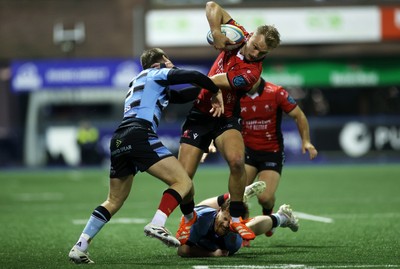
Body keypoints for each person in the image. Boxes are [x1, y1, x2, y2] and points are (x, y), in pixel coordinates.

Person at [68, 48, 224, 264]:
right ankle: (158, 223)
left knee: (113, 200)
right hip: (139, 133)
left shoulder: (139, 82)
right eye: (168, 61)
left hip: (119, 138)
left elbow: (181, 94)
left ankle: (80, 246)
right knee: (182, 181)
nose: (172, 64)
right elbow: (194, 76)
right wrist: (215, 88)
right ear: (158, 63)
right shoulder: (155, 73)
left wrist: (204, 92)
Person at [176, 1, 281, 244]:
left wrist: (214, 89)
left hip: (226, 116)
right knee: (183, 177)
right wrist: (216, 32)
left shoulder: (253, 72)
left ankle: (235, 217)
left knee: (236, 162)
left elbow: (217, 80)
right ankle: (188, 218)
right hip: (200, 115)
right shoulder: (239, 35)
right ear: (251, 35)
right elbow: (212, 5)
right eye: (255, 46)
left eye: (261, 53)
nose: (255, 53)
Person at [203, 76, 318, 243]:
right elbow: (220, 119)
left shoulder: (276, 92)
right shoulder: (235, 94)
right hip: (247, 152)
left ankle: (268, 214)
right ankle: (242, 233)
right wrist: (211, 141)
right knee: (237, 196)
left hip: (272, 153)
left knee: (265, 198)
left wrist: (306, 141)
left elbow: (298, 116)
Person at [177, 181, 299, 257]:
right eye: (225, 218)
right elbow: (182, 250)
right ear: (218, 210)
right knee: (193, 210)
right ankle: (233, 196)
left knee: (249, 228)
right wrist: (212, 254)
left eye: (230, 222)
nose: (226, 224)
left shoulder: (232, 243)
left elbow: (185, 250)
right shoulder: (201, 219)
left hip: (220, 235)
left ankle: (282, 217)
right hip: (201, 214)